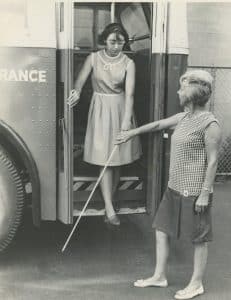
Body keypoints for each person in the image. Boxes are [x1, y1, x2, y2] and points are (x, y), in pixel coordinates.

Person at [116, 70, 221, 299]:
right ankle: (159, 276)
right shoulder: (184, 117)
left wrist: (204, 194)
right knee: (161, 229)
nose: (178, 92)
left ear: (192, 94)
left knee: (199, 238)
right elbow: (159, 125)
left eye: (182, 88)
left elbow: (212, 162)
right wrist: (131, 133)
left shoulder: (210, 124)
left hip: (194, 191)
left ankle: (196, 284)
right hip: (174, 186)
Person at [68, 23, 142, 226]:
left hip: (120, 110)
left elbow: (130, 95)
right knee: (105, 161)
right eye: (112, 42)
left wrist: (126, 122)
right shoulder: (93, 58)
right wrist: (75, 93)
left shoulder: (129, 63)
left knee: (116, 158)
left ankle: (109, 202)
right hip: (100, 109)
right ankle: (109, 207)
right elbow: (79, 82)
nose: (116, 46)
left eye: (120, 42)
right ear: (104, 40)